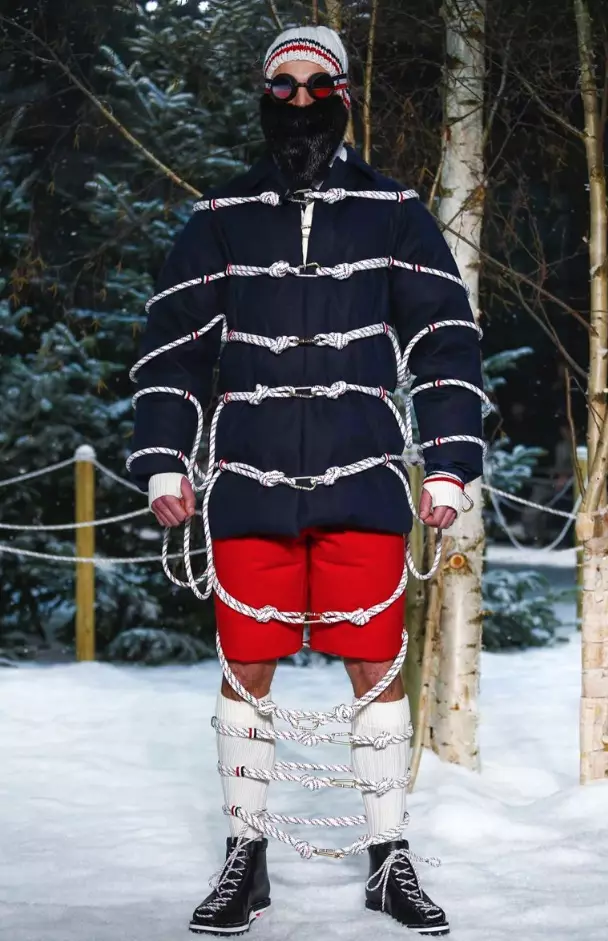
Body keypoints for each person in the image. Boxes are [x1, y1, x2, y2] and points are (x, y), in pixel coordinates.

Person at [129, 25, 483, 938]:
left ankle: (387, 858)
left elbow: (445, 342)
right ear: (262, 96)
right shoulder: (218, 216)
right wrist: (166, 455)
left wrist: (449, 462)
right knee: (245, 671)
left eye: (312, 85)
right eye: (280, 87)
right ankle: (245, 859)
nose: (296, 100)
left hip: (363, 474)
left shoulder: (394, 211)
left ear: (343, 96)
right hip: (247, 478)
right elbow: (173, 347)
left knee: (376, 668)